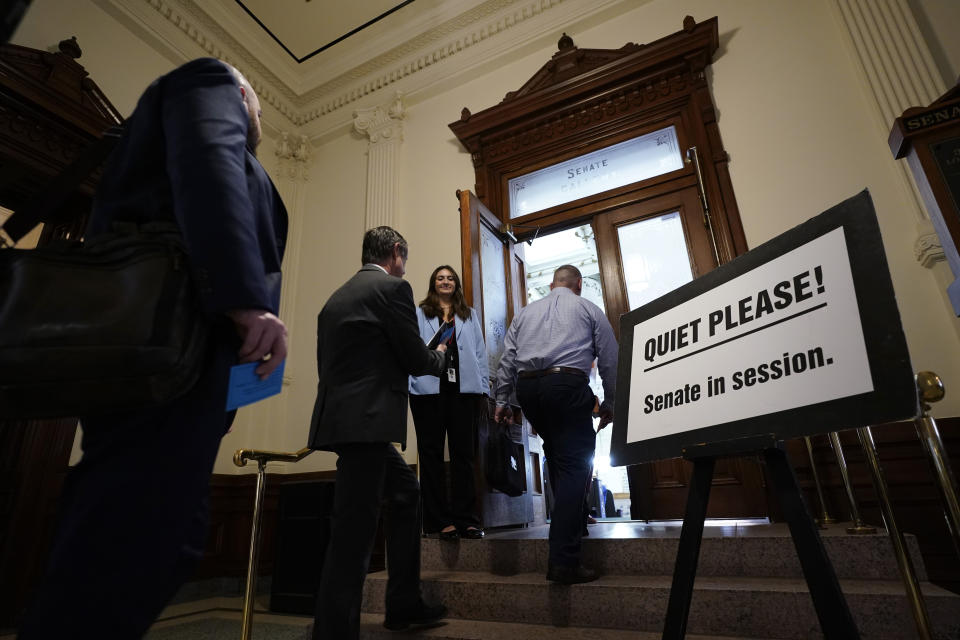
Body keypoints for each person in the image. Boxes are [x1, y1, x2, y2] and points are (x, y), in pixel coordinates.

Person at [18, 58, 288, 639]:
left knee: (155, 529)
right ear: (244, 91)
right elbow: (207, 165)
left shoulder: (228, 152)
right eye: (260, 107)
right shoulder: (209, 78)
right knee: (136, 533)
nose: (260, 119)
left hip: (191, 358)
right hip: (165, 339)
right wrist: (246, 300)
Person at [307, 227, 449, 638]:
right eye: (405, 256)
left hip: (345, 420)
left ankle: (404, 604)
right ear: (397, 252)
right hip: (367, 423)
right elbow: (412, 356)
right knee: (354, 532)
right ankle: (333, 632)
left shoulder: (337, 297)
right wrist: (438, 355)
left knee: (407, 492)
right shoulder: (392, 289)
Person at [494, 265, 617, 585]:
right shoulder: (588, 308)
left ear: (552, 284)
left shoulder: (525, 313)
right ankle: (563, 560)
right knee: (577, 463)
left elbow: (507, 358)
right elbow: (609, 358)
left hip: (529, 390)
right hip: (566, 385)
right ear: (578, 284)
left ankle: (574, 524)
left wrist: (502, 400)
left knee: (559, 456)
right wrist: (612, 401)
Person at [409, 265, 489, 540]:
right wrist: (410, 381)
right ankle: (439, 521)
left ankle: (466, 520)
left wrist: (484, 388)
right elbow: (411, 350)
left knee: (464, 456)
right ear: (433, 284)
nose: (446, 281)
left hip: (464, 392)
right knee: (430, 456)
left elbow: (480, 352)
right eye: (440, 278)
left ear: (456, 285)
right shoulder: (420, 312)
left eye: (451, 278)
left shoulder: (469, 315)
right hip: (427, 391)